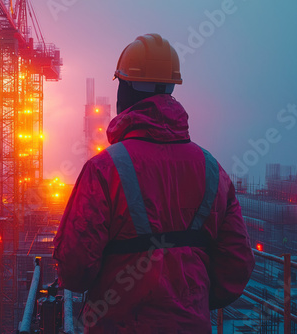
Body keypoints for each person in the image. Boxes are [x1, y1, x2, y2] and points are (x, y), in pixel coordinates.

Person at [53, 33, 255, 334]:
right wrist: (190, 302)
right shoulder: (214, 170)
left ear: (126, 89)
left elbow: (74, 268)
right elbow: (236, 265)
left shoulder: (103, 170)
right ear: (171, 90)